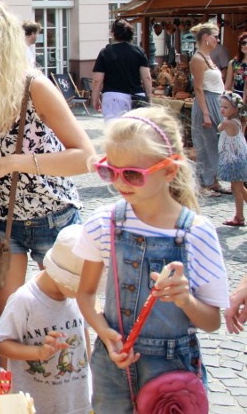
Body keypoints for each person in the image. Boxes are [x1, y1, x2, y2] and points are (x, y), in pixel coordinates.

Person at [0, 0, 95, 323]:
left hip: (52, 215)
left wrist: (9, 163)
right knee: (7, 324)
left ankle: (78, 377)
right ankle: (10, 378)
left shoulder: (33, 86)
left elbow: (85, 156)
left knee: (68, 322)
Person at [74, 107, 228, 413]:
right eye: (110, 171)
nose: (120, 182)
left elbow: (212, 321)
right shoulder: (103, 222)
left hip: (171, 372)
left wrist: (185, 300)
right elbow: (85, 294)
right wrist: (104, 333)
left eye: (132, 174)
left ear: (169, 170)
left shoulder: (197, 234)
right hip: (111, 368)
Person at [0, 224, 91, 414]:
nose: (86, 291)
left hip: (77, 400)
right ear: (62, 277)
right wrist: (38, 352)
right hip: (36, 404)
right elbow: (0, 343)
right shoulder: (25, 300)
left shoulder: (79, 297)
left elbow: (84, 332)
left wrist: (90, 372)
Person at [189, 22, 229, 197]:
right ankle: (204, 183)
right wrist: (205, 112)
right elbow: (198, 88)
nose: (217, 40)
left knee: (214, 143)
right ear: (206, 38)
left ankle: (213, 180)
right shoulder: (198, 59)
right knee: (205, 143)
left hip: (215, 101)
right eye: (215, 36)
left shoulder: (208, 57)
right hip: (206, 102)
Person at [90, 20, 153, 123]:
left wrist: (95, 98)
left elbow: (98, 79)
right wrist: (148, 98)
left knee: (114, 132)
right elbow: (146, 77)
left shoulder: (105, 52)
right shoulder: (139, 51)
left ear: (113, 34)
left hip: (113, 96)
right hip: (136, 96)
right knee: (135, 131)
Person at [218, 91, 247, 227]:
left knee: (237, 188)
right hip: (238, 157)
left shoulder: (228, 123)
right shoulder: (238, 120)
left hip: (234, 159)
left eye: (226, 107)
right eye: (221, 106)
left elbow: (218, 128)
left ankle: (239, 216)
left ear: (235, 109)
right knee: (239, 187)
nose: (222, 109)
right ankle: (239, 215)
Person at [224, 31, 247, 99]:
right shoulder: (233, 63)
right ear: (240, 45)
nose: (246, 45)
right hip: (237, 98)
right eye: (243, 43)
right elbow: (227, 86)